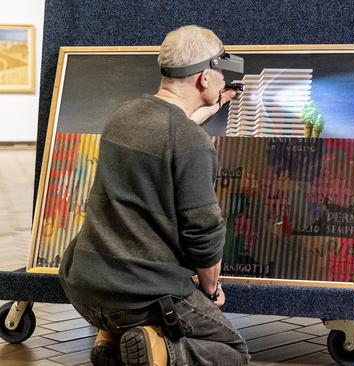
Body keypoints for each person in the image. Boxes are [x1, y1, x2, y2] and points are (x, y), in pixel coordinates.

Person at [58, 25, 250, 366]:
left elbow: (168, 131)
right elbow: (204, 232)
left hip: (83, 286)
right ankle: (161, 350)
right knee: (233, 352)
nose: (225, 79)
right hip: (138, 295)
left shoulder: (123, 116)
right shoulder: (190, 142)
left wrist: (202, 115)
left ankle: (112, 338)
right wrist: (210, 290)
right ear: (204, 78)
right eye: (221, 72)